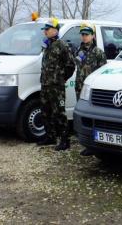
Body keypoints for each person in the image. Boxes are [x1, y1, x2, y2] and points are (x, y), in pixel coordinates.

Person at [38, 18, 75, 151]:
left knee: (59, 113)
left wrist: (61, 78)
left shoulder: (62, 45)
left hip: (56, 87)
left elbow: (71, 65)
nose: (45, 32)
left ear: (55, 30)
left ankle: (65, 141)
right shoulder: (47, 46)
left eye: (47, 29)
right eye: (45, 30)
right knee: (46, 112)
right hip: (46, 85)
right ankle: (50, 137)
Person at [75, 23, 107, 156]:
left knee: (93, 117)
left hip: (92, 91)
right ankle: (85, 141)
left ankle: (94, 145)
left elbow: (103, 72)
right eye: (82, 34)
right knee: (82, 116)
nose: (84, 37)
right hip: (79, 88)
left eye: (86, 34)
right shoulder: (78, 50)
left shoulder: (98, 52)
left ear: (92, 36)